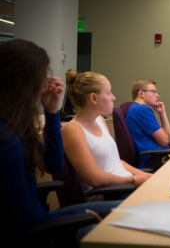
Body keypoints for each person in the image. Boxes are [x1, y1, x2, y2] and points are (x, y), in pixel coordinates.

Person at [0, 39, 120, 246]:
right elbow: (25, 223)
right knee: (122, 226)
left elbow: (53, 164)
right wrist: (76, 214)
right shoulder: (7, 142)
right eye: (43, 76)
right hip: (37, 233)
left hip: (40, 222)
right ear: (26, 82)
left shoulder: (16, 127)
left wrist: (51, 111)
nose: (46, 83)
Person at [62, 70, 152, 200]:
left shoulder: (100, 120)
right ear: (94, 98)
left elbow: (115, 161)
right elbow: (94, 178)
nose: (113, 97)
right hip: (107, 194)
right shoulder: (73, 130)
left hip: (124, 186)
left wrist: (143, 175)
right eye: (109, 93)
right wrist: (132, 180)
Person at [126, 79, 170, 169]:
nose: (158, 96)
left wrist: (162, 113)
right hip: (154, 159)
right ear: (141, 93)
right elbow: (165, 141)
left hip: (156, 156)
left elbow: (168, 139)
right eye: (154, 92)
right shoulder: (142, 110)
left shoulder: (135, 109)